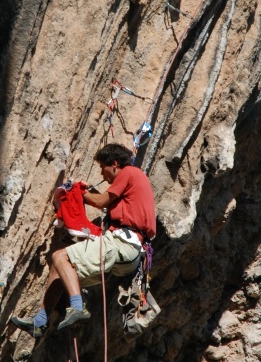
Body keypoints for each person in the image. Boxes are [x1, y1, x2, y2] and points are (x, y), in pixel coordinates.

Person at [10, 142, 156, 338]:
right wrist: (88, 193)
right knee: (60, 269)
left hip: (122, 244)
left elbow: (101, 201)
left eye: (102, 168)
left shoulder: (128, 172)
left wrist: (76, 190)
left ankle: (77, 307)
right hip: (130, 254)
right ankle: (40, 321)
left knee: (60, 256)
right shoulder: (135, 182)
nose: (102, 175)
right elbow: (104, 201)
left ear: (114, 163)